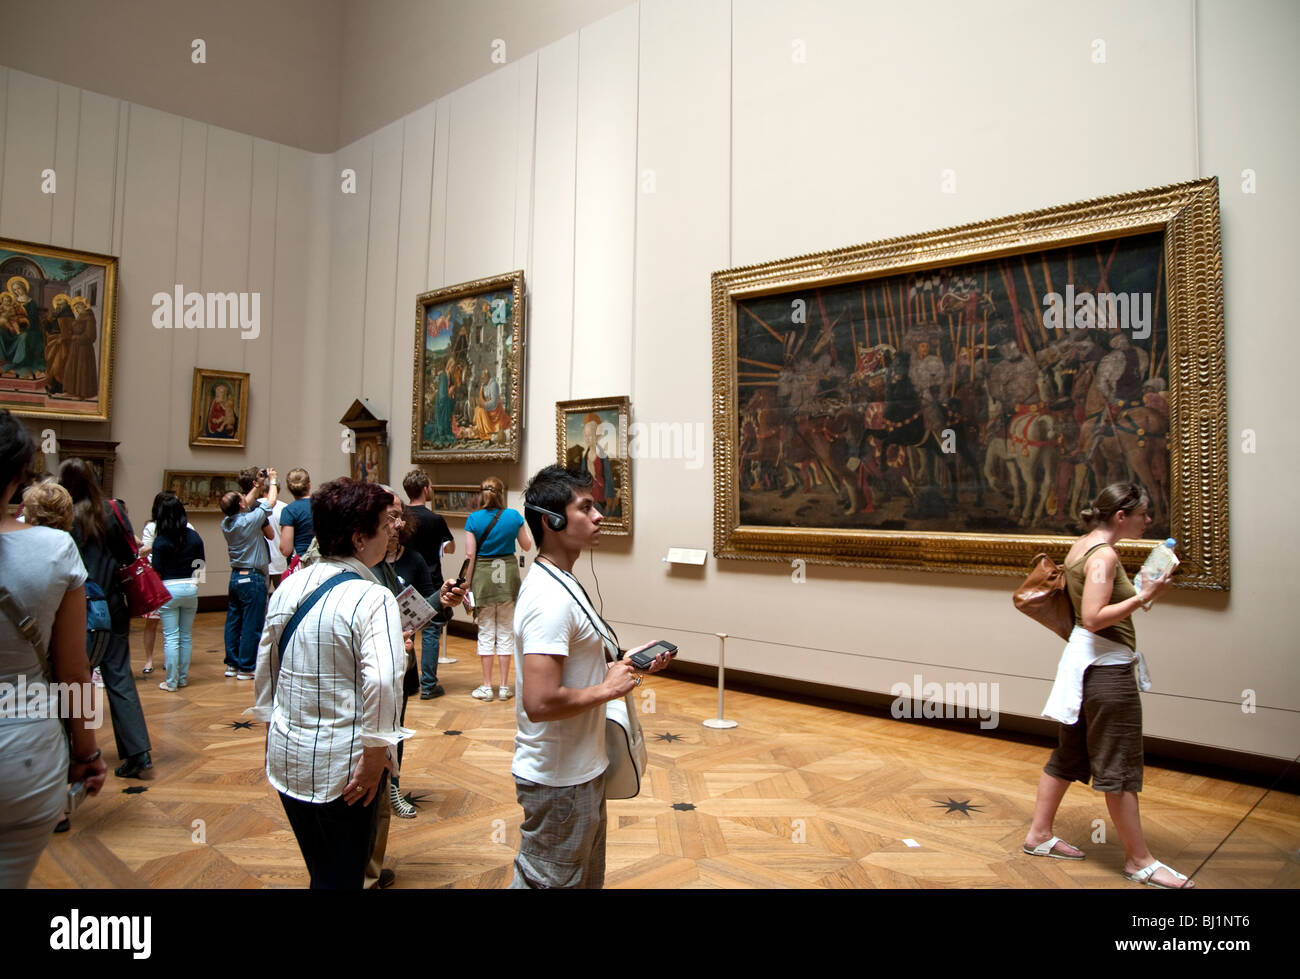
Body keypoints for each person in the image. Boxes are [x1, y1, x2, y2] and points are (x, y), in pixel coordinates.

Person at [248, 478, 466, 889]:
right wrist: (373, 760)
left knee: (322, 869)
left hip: (287, 757)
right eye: (386, 524)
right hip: (344, 770)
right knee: (342, 876)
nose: (394, 530)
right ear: (359, 536)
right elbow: (384, 682)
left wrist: (270, 732)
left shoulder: (291, 585)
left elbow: (267, 668)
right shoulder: (373, 597)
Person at [509, 465, 670, 889]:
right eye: (585, 507)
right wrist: (607, 688)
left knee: (581, 880)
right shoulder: (548, 600)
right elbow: (540, 703)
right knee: (547, 881)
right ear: (552, 521)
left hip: (581, 768)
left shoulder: (562, 580)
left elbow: (578, 661)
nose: (598, 516)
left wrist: (623, 663)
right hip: (558, 778)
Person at [1023, 482, 1190, 888]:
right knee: (1119, 766)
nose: (1147, 521)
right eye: (1143, 515)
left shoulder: (1082, 545)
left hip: (1084, 667)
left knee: (1070, 753)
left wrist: (1138, 592)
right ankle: (1139, 861)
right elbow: (1095, 616)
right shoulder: (1105, 555)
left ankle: (1039, 835)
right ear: (1121, 516)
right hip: (1105, 672)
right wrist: (1145, 594)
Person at [0, 412, 107, 885]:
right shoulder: (54, 550)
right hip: (22, 753)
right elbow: (74, 672)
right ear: (17, 475)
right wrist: (85, 749)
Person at [58, 457, 154, 779]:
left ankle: (76, 752)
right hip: (112, 603)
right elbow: (128, 556)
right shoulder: (111, 510)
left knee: (75, 678)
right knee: (118, 674)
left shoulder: (61, 516)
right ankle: (139, 753)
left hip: (73, 606)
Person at [464, 476, 531, 701]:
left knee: (485, 633)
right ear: (502, 494)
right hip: (508, 578)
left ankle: (486, 686)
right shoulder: (513, 516)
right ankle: (504, 686)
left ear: (481, 494)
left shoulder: (473, 519)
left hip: (483, 579)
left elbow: (470, 555)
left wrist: (466, 584)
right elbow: (527, 545)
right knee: (505, 632)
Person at [220, 467, 278, 680]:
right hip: (252, 578)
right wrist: (272, 481)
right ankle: (246, 667)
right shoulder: (250, 520)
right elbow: (270, 502)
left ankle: (232, 664)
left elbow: (244, 501)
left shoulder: (226, 522)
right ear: (242, 505)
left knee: (233, 622)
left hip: (235, 577)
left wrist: (257, 484)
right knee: (252, 623)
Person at [402, 468, 454, 699]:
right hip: (430, 581)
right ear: (425, 489)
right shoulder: (434, 519)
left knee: (406, 632)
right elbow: (450, 547)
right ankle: (429, 684)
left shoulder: (401, 517)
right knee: (432, 631)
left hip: (404, 579)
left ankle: (407, 681)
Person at [150, 496, 205, 692]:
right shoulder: (194, 537)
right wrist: (196, 585)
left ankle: (171, 682)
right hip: (190, 588)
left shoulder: (161, 541)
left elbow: (156, 570)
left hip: (168, 590)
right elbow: (200, 566)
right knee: (185, 636)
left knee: (171, 637)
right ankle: (182, 678)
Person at [137, 492, 174, 676]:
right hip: (155, 578)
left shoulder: (183, 526)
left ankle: (170, 658)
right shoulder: (152, 527)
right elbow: (143, 551)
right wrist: (160, 543)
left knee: (171, 623)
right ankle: (149, 659)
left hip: (173, 576)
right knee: (151, 623)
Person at [278, 468, 314, 559]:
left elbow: (286, 550)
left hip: (302, 561)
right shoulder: (323, 505)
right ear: (309, 485)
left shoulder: (289, 511)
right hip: (324, 563)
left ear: (289, 488)